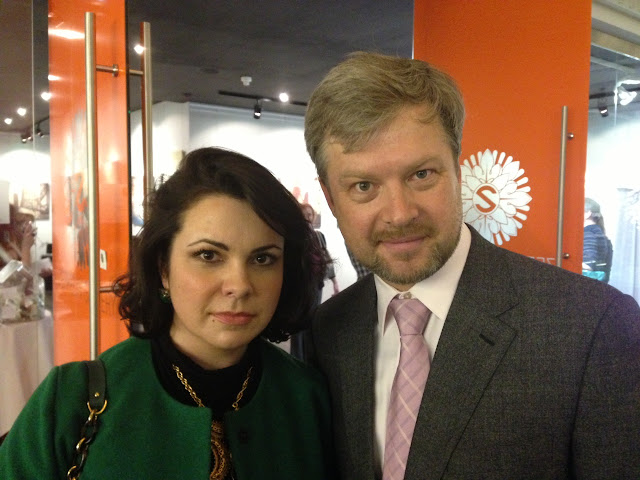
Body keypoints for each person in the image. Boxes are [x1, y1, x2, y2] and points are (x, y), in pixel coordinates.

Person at [304, 51, 640, 479]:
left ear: (458, 170)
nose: (400, 213)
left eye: (422, 175)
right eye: (364, 186)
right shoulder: (330, 327)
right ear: (331, 198)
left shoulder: (592, 326)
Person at [0, 147, 336, 479]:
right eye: (208, 255)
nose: (240, 285)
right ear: (163, 268)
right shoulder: (72, 400)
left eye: (263, 259)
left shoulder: (309, 398)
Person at [290, 203, 338, 361]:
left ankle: (310, 359)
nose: (308, 217)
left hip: (317, 284)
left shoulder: (319, 236)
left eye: (310, 214)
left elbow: (326, 258)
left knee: (312, 319)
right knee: (299, 322)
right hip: (301, 285)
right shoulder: (294, 237)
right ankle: (297, 358)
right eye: (304, 214)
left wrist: (334, 282)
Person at [582, 197, 613, 283]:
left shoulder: (589, 233)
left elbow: (588, 265)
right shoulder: (598, 233)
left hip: (585, 283)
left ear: (587, 214)